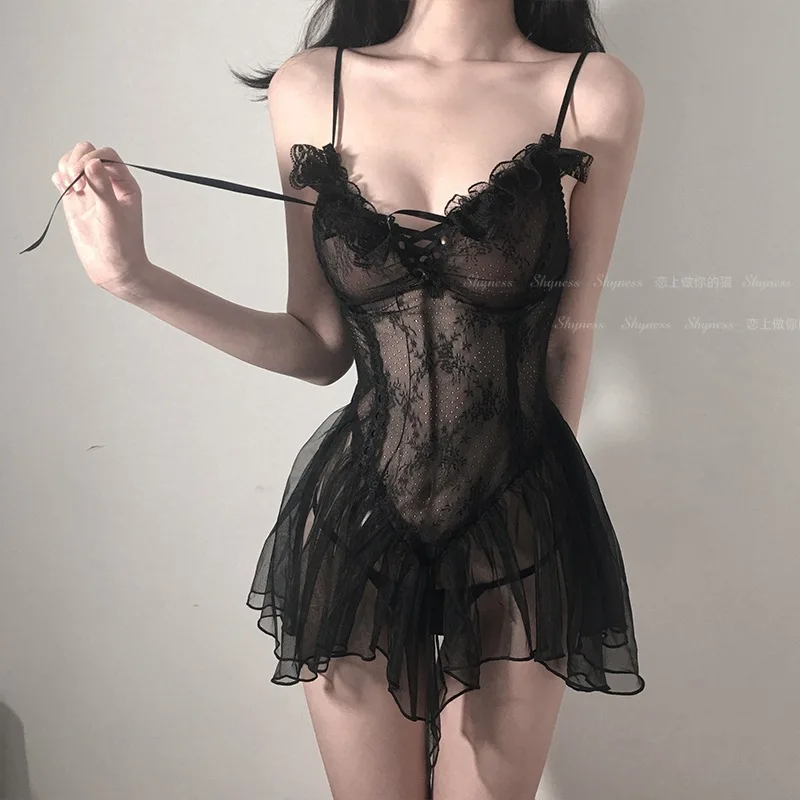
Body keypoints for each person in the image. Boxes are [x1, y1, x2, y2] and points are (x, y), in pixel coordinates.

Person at [30, 1, 646, 798]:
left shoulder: (591, 92)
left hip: (522, 520)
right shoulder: (311, 88)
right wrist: (134, 278)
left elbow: (566, 344)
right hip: (359, 526)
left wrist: (551, 535)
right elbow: (317, 345)